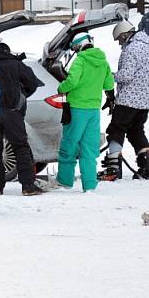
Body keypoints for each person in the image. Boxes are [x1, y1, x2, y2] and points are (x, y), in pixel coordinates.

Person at [52, 33, 114, 192]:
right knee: (89, 148)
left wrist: (61, 88)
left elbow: (72, 81)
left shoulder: (80, 60)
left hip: (77, 108)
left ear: (79, 45)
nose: (75, 50)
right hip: (93, 110)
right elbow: (108, 84)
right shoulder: (103, 61)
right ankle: (90, 185)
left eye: (74, 47)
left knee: (70, 143)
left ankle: (65, 181)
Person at [98, 21, 149, 181]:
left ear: (125, 35)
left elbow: (126, 75)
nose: (119, 42)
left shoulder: (131, 49)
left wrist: (109, 76)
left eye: (119, 39)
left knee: (116, 130)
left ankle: (113, 169)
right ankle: (146, 167)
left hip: (129, 98)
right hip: (146, 99)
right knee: (136, 130)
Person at [0, 42, 44, 196]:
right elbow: (32, 82)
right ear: (7, 51)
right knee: (21, 147)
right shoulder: (16, 64)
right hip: (12, 112)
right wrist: (22, 95)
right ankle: (28, 186)